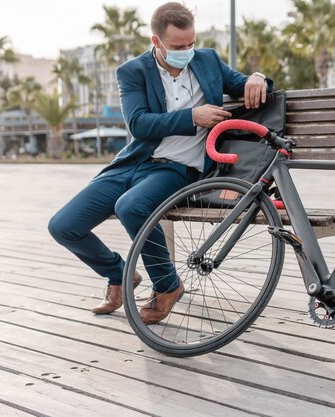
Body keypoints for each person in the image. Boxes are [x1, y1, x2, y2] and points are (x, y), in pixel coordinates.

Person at [48, 2, 272, 324]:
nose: (188, 51)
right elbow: (138, 124)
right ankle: (119, 273)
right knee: (63, 226)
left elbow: (251, 88)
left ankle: (167, 286)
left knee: (130, 207)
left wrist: (258, 76)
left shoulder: (208, 61)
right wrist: (192, 116)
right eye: (179, 46)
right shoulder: (133, 71)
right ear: (157, 42)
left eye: (191, 43)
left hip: (177, 169)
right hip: (132, 164)